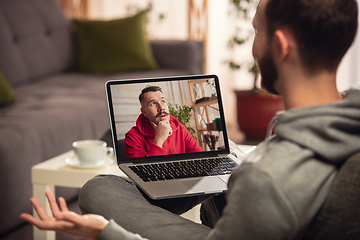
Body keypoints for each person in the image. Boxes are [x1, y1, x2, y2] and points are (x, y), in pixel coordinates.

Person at [21, 0, 360, 239]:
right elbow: (198, 154)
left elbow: (261, 177)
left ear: (282, 46)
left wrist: (105, 233)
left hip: (247, 219)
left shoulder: (266, 179)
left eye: (258, 31)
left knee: (99, 188)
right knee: (217, 170)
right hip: (257, 204)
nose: (254, 47)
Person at [124, 85, 203, 158]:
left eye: (163, 101)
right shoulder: (132, 137)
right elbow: (142, 171)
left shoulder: (181, 129)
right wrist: (158, 140)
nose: (161, 108)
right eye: (153, 103)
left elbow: (200, 158)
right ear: (144, 112)